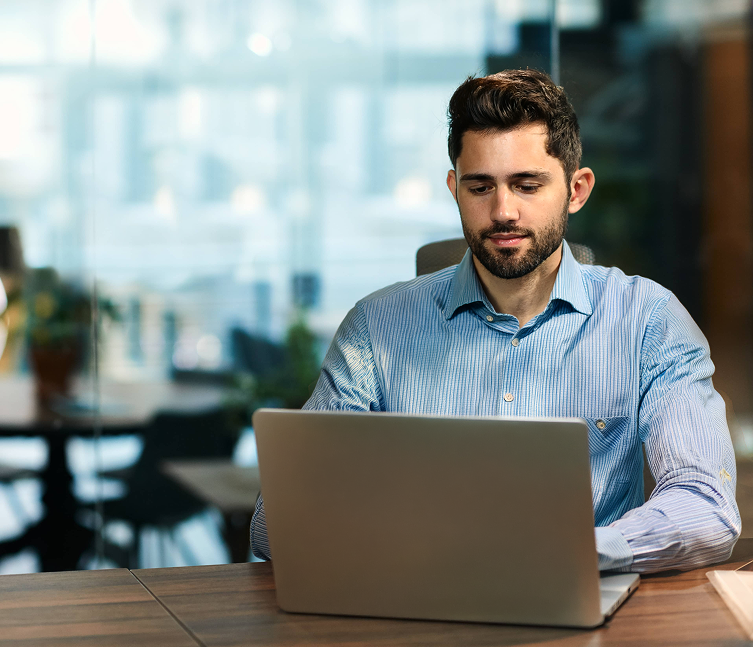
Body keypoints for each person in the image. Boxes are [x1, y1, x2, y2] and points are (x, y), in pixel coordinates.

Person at [249, 69, 740, 573]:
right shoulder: (377, 328)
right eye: (480, 187)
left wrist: (567, 553)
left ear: (576, 190)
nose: (503, 211)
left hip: (585, 593)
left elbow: (706, 506)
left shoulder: (648, 320)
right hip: (416, 599)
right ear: (454, 188)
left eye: (527, 185)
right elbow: (276, 522)